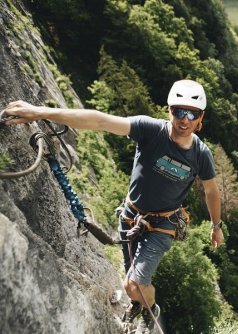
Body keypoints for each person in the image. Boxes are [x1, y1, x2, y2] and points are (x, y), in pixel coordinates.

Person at [3, 79, 224, 334]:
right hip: (130, 217)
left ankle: (151, 306)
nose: (184, 120)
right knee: (130, 280)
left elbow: (211, 191)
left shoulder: (201, 155)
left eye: (191, 114)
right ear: (169, 111)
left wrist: (216, 226)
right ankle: (139, 304)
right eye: (178, 111)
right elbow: (100, 121)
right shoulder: (151, 131)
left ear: (200, 118)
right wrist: (38, 111)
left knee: (135, 283)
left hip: (163, 224)